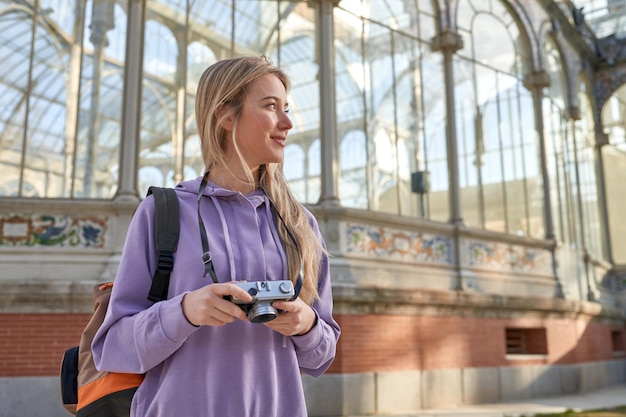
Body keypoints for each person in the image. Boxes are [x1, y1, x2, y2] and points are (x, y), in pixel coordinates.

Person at [92, 56, 341, 417]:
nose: (287, 123)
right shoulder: (163, 212)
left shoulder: (300, 224)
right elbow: (112, 348)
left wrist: (306, 324)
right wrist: (186, 311)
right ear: (226, 115)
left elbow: (322, 356)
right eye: (271, 107)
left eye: (286, 109)